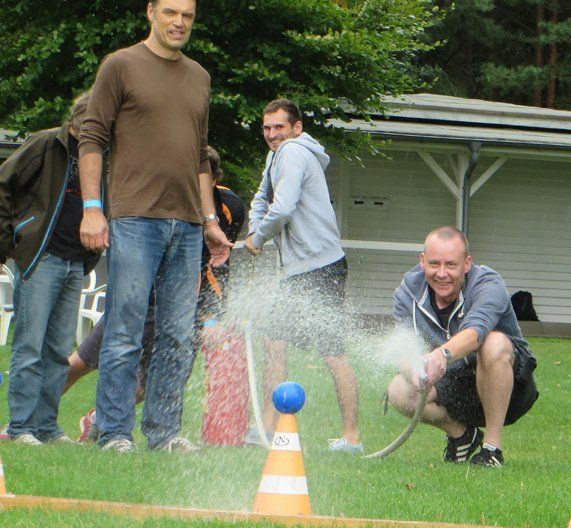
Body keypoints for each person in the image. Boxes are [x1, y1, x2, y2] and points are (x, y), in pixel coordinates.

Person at [78, 0, 232, 453]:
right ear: (150, 12)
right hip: (133, 220)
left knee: (178, 334)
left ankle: (164, 434)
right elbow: (92, 138)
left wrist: (209, 220)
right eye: (170, 12)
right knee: (124, 330)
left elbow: (200, 155)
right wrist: (92, 208)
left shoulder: (199, 76)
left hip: (186, 227)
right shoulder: (120, 66)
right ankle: (115, 433)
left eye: (187, 15)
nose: (179, 22)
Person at [67, 147, 245, 443]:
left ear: (212, 182)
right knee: (80, 363)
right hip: (141, 300)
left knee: (146, 386)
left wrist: (212, 314)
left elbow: (217, 267)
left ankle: (97, 420)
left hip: (183, 309)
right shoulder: (163, 200)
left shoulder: (230, 208)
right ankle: (35, 418)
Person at [244, 98, 362, 452]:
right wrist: (254, 231)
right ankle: (266, 427)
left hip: (321, 266)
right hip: (294, 270)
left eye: (279, 127)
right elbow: (262, 201)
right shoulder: (274, 158)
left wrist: (259, 237)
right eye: (266, 128)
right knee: (274, 342)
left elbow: (283, 207)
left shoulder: (294, 152)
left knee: (331, 352)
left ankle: (351, 437)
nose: (272, 134)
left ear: (296, 128)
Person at [0, 91, 106, 445]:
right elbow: (4, 183)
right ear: (80, 118)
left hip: (76, 261)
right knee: (29, 345)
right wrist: (13, 237)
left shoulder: (101, 155)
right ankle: (20, 428)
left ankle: (46, 426)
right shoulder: (47, 144)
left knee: (59, 350)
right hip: (41, 257)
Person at [387, 226, 539, 468]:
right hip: (454, 381)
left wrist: (441, 354)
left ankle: (492, 449)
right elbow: (401, 347)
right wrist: (413, 371)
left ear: (467, 263)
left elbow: (475, 333)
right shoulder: (407, 291)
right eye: (434, 264)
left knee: (494, 342)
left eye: (451, 265)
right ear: (422, 261)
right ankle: (462, 435)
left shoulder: (488, 284)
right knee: (398, 390)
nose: (442, 273)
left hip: (511, 389)